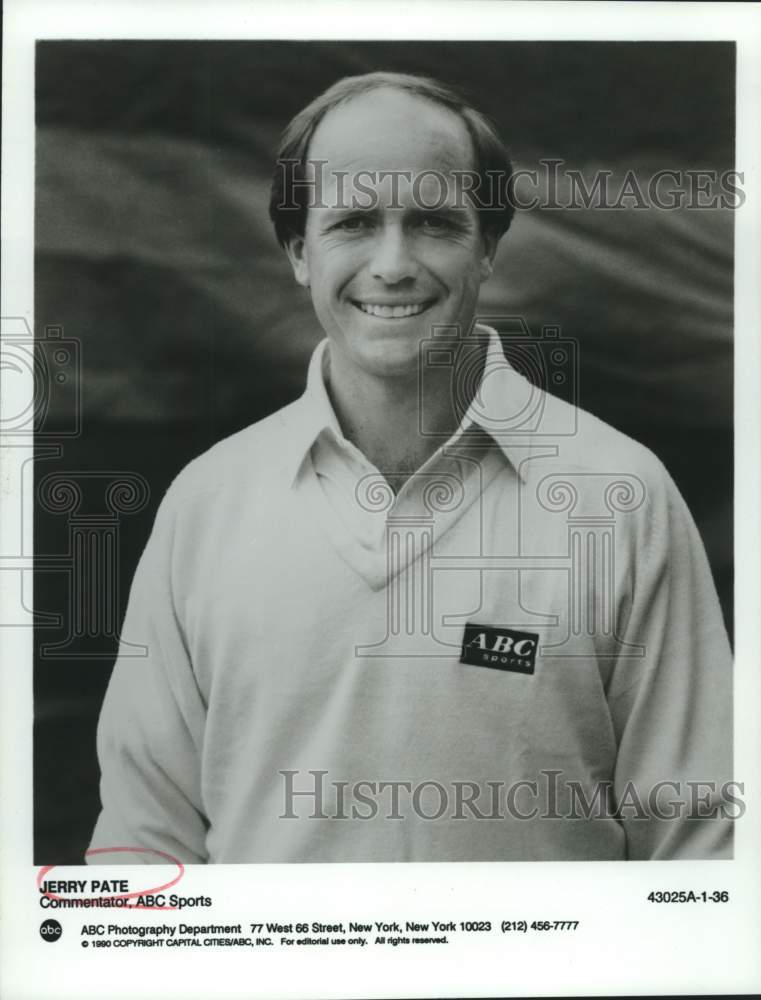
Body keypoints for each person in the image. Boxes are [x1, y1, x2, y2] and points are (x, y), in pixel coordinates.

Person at [88, 72, 734, 864]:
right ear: (299, 252)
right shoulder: (206, 503)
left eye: (431, 221)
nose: (392, 264)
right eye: (354, 221)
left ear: (487, 246)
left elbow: (701, 847)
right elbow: (142, 843)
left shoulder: (620, 495)